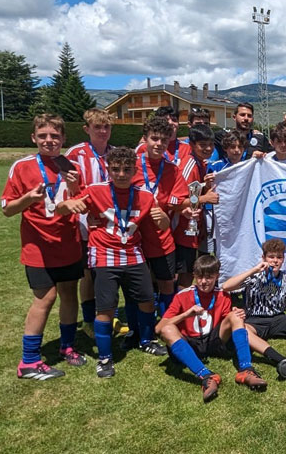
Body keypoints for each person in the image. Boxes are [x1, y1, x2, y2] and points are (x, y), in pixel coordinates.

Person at [57, 147, 172, 377]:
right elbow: (62, 209)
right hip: (104, 255)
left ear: (134, 171)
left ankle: (146, 340)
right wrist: (66, 205)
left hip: (134, 254)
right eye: (116, 169)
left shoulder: (145, 196)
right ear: (108, 170)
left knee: (147, 301)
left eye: (126, 170)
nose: (121, 174)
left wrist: (165, 219)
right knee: (106, 308)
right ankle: (105, 357)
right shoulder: (95, 190)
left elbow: (163, 225)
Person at [3, 114, 85, 379]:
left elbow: (79, 201)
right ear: (33, 138)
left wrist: (74, 188)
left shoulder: (70, 166)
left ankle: (67, 346)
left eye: (54, 136)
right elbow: (7, 210)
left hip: (68, 243)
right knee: (45, 298)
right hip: (38, 245)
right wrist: (28, 198)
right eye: (43, 136)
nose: (49, 141)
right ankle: (28, 361)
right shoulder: (22, 167)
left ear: (63, 138)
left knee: (69, 293)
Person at [156, 255, 267, 401]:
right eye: (199, 277)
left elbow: (229, 321)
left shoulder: (222, 295)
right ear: (194, 276)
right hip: (190, 342)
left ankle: (245, 370)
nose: (203, 282)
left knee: (236, 316)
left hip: (213, 341)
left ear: (217, 276)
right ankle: (207, 376)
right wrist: (186, 314)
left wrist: (236, 313)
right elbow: (159, 328)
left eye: (208, 277)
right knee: (167, 329)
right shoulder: (182, 296)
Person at [65, 109, 127, 338]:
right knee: (89, 273)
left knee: (109, 273)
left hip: (111, 225)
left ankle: (108, 316)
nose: (102, 131)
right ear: (87, 129)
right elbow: (69, 190)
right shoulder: (75, 154)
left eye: (106, 127)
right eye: (97, 127)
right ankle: (90, 320)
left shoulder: (115, 153)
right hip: (85, 225)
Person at [220, 239, 286, 379]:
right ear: (264, 258)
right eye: (271, 257)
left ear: (283, 259)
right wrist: (254, 270)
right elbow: (226, 286)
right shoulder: (254, 277)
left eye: (279, 257)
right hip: (255, 320)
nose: (275, 261)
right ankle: (281, 360)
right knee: (243, 331)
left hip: (278, 318)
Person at [132, 117, 188, 331]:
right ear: (145, 139)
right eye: (154, 139)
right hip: (135, 237)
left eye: (163, 140)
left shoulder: (172, 169)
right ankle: (142, 330)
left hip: (162, 235)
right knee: (140, 286)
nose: (158, 144)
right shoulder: (132, 166)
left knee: (166, 283)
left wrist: (170, 208)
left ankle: (166, 325)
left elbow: (180, 197)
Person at [173, 124, 218, 289]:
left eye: (210, 144)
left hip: (193, 230)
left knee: (190, 273)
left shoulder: (201, 164)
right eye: (202, 145)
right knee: (184, 276)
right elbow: (175, 202)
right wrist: (205, 197)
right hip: (183, 231)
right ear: (192, 145)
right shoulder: (188, 166)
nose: (207, 148)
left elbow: (193, 193)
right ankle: (179, 311)